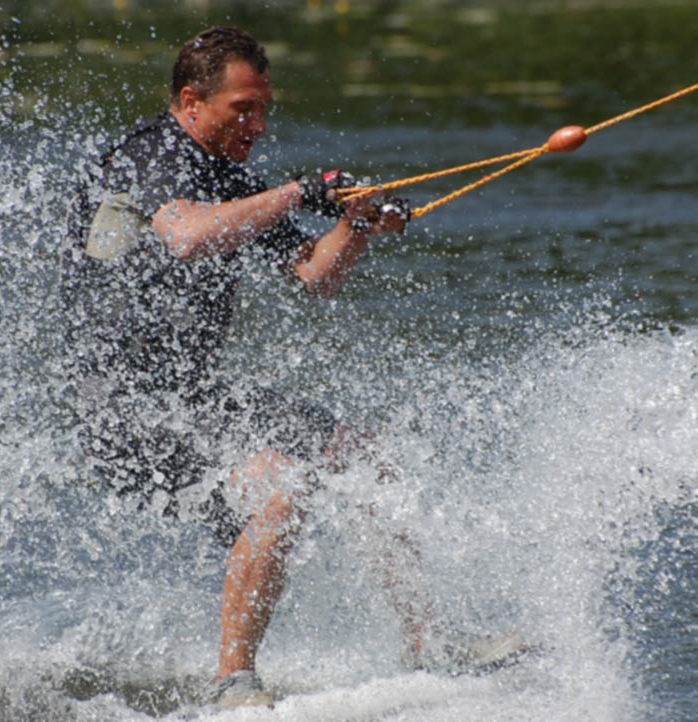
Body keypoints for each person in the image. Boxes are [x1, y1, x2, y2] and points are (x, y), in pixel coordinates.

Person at [68, 27, 522, 708]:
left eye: (263, 109)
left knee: (357, 453)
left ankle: (431, 645)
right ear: (191, 102)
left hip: (192, 396)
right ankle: (234, 683)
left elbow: (315, 276)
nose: (256, 124)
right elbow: (188, 237)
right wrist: (299, 192)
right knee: (280, 484)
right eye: (241, 109)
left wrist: (358, 223)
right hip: (123, 408)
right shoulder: (150, 155)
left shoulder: (230, 177)